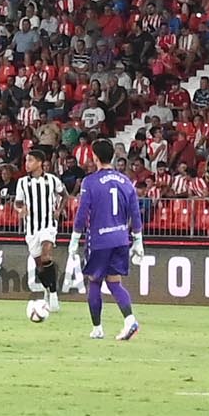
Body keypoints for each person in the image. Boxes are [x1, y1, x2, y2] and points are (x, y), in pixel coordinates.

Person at [73, 146, 144, 340]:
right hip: (121, 239)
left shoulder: (90, 181)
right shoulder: (125, 180)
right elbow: (135, 212)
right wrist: (138, 240)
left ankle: (97, 329)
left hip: (99, 239)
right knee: (114, 282)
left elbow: (82, 213)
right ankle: (130, 320)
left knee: (94, 281)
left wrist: (74, 239)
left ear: (94, 157)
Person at [14, 151, 68, 321]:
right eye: (26, 160)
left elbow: (64, 194)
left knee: (46, 255)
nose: (26, 163)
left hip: (48, 225)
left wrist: (59, 210)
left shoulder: (52, 180)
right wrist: (20, 210)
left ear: (39, 162)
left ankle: (53, 295)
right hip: (31, 229)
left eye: (30, 160)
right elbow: (18, 202)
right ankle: (48, 288)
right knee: (40, 266)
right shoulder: (22, 183)